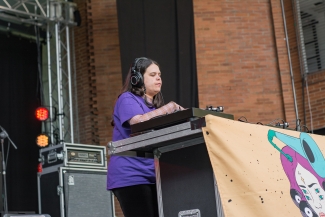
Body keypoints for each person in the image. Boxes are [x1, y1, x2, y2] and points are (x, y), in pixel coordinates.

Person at [107, 57, 184, 217]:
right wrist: (168, 108)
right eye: (153, 74)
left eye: (160, 75)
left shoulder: (154, 108)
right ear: (138, 79)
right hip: (132, 174)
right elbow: (138, 122)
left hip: (155, 175)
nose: (158, 78)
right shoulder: (126, 99)